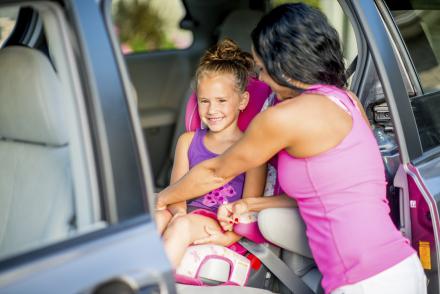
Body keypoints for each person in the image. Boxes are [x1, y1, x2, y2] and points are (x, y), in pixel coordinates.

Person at [157, 3, 427, 294]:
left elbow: (215, 173)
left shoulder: (283, 118)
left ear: (283, 62)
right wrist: (250, 204)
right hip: (398, 268)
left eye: (261, 68)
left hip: (363, 282)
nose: (259, 79)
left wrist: (161, 200)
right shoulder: (346, 100)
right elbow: (324, 195)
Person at [155, 38, 266, 269]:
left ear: (242, 101)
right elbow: (177, 193)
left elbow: (251, 207)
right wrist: (177, 215)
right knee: (157, 218)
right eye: (204, 101)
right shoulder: (187, 141)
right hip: (188, 216)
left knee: (182, 227)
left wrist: (230, 237)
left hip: (220, 223)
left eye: (221, 100)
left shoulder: (252, 149)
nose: (212, 110)